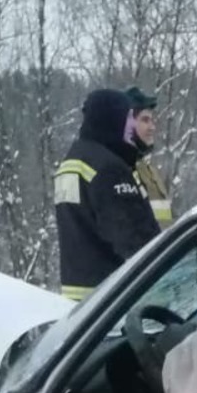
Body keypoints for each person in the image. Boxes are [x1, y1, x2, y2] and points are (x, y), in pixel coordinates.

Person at [54, 88, 160, 301]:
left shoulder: (70, 163)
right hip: (112, 299)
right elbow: (138, 242)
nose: (131, 125)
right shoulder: (109, 168)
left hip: (77, 300)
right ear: (112, 118)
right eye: (128, 117)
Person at [125, 85, 174, 230]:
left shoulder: (147, 169)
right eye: (145, 120)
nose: (152, 127)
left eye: (152, 120)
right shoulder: (120, 169)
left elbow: (166, 222)